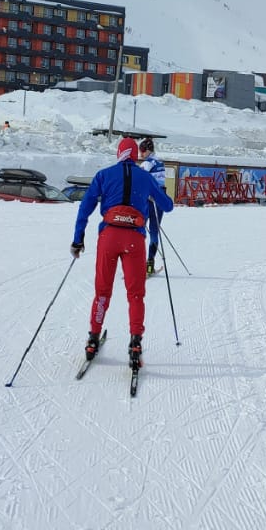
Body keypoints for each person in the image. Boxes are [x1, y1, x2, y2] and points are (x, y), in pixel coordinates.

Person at [72, 136, 174, 369]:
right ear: (135, 155)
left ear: (119, 154)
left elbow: (85, 208)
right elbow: (167, 205)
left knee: (102, 291)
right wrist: (154, 193)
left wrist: (78, 240)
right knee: (135, 294)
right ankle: (135, 343)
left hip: (109, 237)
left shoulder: (103, 175)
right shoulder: (145, 176)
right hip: (135, 240)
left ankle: (92, 339)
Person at [138, 136, 167, 275]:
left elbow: (138, 180)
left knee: (139, 230)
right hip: (159, 200)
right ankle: (150, 264)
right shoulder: (160, 162)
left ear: (149, 150)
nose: (140, 154)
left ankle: (137, 264)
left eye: (142, 150)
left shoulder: (147, 163)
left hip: (148, 200)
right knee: (154, 232)